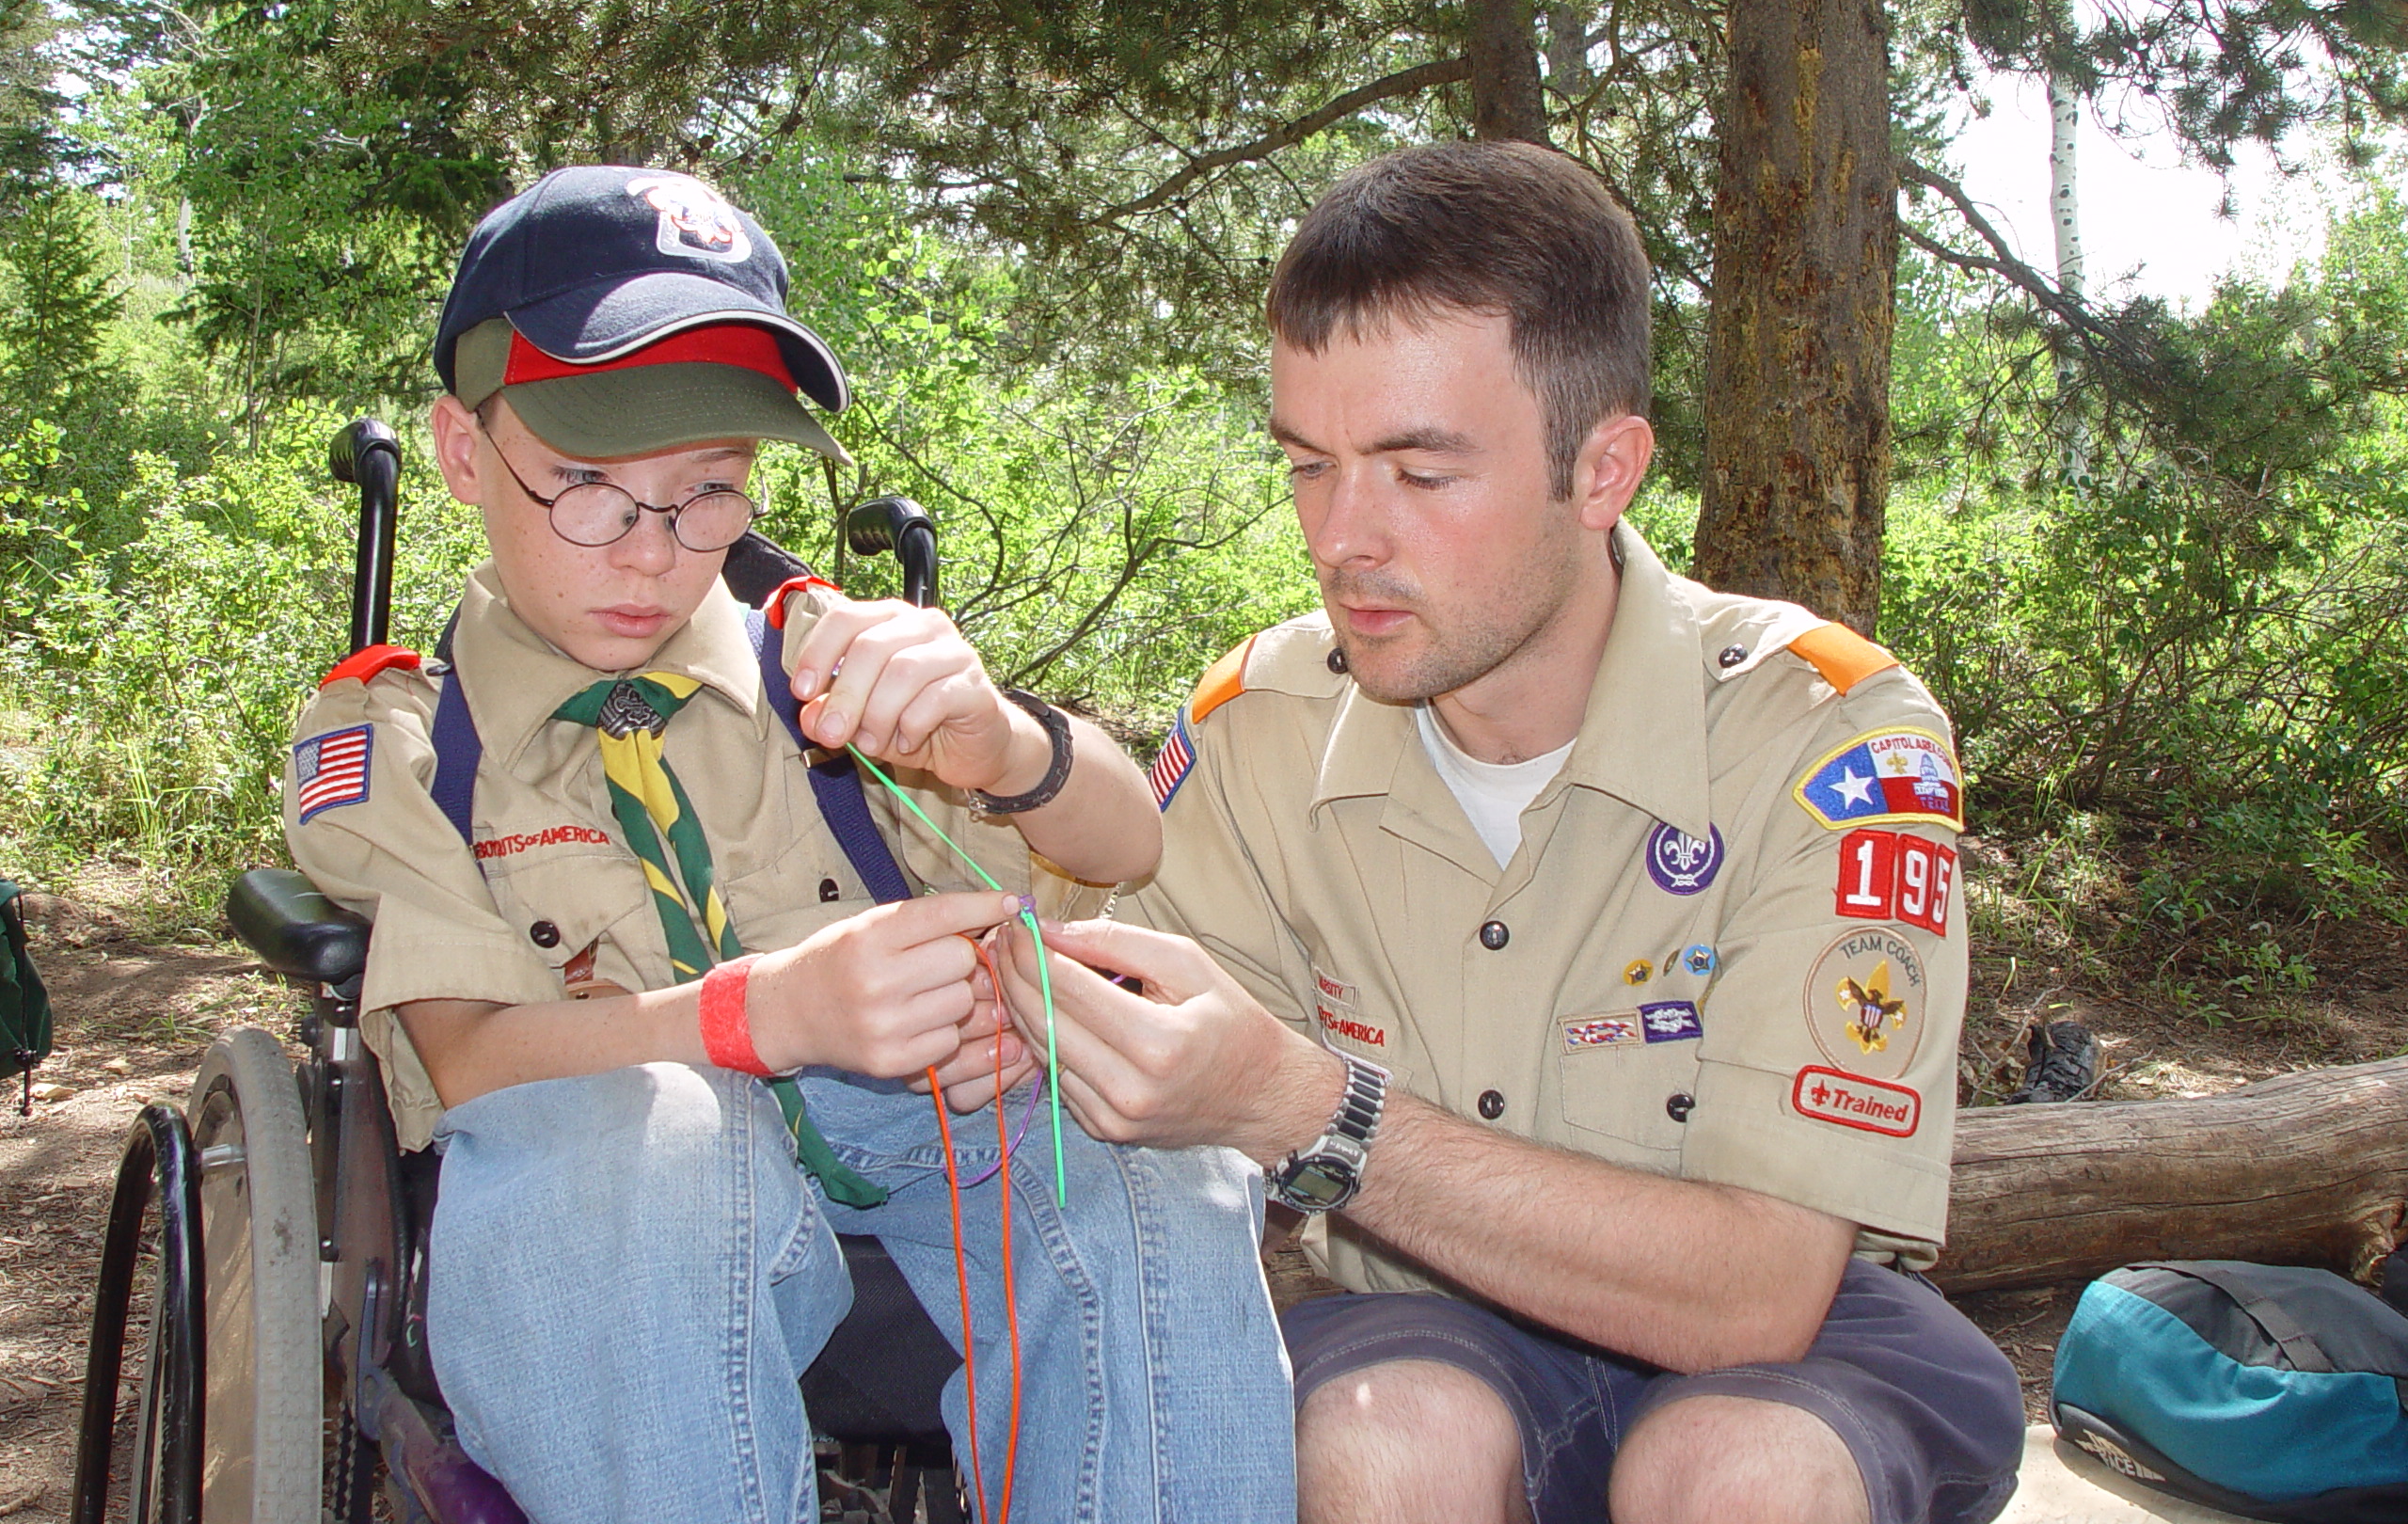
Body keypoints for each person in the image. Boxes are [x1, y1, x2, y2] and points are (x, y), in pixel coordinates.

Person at [995, 142, 2026, 1524]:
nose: (1343, 538)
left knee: (1736, 1477)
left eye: (1420, 476)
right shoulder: (1257, 730)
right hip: (1420, 1327)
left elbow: (1759, 1291)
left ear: (1602, 470)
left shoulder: (1829, 738)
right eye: (1311, 465)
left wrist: (1307, 1106)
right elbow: (1099, 1097)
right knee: (1384, 1445)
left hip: (1800, 1343)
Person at [282, 166, 1293, 1524]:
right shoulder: (405, 740)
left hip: (911, 1128)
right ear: (464, 452)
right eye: (586, 486)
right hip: (623, 1150)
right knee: (659, 1151)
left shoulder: (821, 659)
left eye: (710, 491)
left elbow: (1122, 837)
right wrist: (772, 1013)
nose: (652, 553)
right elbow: (466, 1052)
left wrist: (1002, 742)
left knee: (1161, 1161)